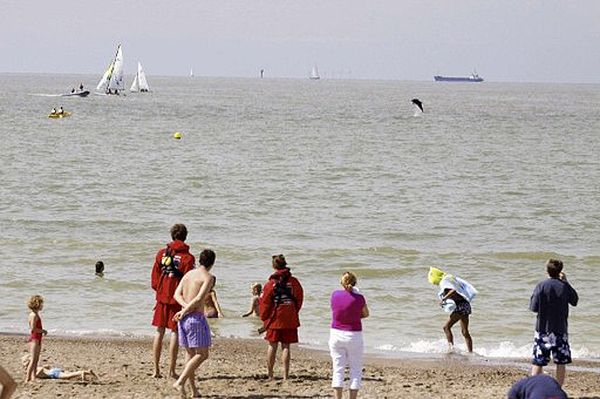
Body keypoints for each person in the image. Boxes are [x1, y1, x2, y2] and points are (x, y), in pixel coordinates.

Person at [150, 224, 196, 379]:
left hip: (162, 297)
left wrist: (160, 291)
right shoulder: (188, 258)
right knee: (175, 333)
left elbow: (154, 278)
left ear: (172, 236)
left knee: (159, 331)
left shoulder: (162, 253)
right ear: (185, 236)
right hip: (177, 299)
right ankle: (171, 370)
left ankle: (156, 370)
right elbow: (189, 280)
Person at [172, 249, 216, 398]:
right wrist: (186, 311)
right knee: (203, 354)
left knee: (190, 354)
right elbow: (198, 299)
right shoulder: (208, 277)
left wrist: (184, 307)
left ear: (199, 260)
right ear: (212, 263)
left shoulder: (188, 274)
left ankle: (193, 391)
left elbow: (176, 294)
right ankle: (180, 381)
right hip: (195, 318)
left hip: (184, 318)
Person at [530, 259, 578, 386]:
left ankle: (532, 388)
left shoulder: (541, 286)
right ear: (560, 271)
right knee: (560, 362)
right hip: (560, 330)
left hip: (542, 330)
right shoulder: (564, 286)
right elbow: (575, 301)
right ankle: (558, 390)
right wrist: (566, 282)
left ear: (547, 271)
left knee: (538, 361)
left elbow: (533, 307)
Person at [259, 254, 303, 380]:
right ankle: (285, 375)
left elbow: (265, 302)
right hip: (289, 318)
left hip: (275, 319)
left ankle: (270, 374)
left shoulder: (270, 284)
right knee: (286, 346)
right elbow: (299, 298)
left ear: (274, 266)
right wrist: (294, 312)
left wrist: (264, 317)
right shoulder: (294, 282)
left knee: (272, 345)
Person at [329, 272, 369, 399]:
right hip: (354, 335)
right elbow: (366, 314)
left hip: (336, 334)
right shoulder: (359, 298)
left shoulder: (335, 295)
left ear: (342, 283)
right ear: (355, 283)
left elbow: (337, 311)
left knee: (338, 369)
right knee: (355, 369)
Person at [428, 267, 477, 353]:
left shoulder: (445, 283)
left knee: (446, 327)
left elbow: (453, 291)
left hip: (461, 306)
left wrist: (444, 299)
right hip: (466, 305)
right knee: (465, 332)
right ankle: (470, 352)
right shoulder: (450, 280)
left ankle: (451, 349)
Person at [22, 355, 98, 382]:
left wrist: (37, 374)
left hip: (53, 374)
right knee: (69, 375)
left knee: (69, 376)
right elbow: (46, 366)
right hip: (53, 370)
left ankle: (81, 373)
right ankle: (88, 372)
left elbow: (41, 370)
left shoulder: (34, 370)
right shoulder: (36, 367)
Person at [26, 295, 47, 382]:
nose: (42, 306)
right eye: (41, 304)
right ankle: (27, 378)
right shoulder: (33, 315)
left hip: (38, 338)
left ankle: (33, 377)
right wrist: (43, 331)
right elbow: (33, 328)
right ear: (37, 304)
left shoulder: (36, 314)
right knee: (33, 359)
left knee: (36, 359)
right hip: (34, 339)